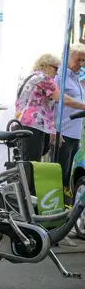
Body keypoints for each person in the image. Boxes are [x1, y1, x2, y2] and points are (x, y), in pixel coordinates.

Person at [15, 53, 85, 162]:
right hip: (33, 125)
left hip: (21, 123)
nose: (57, 72)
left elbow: (45, 108)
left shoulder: (31, 77)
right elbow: (63, 99)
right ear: (46, 65)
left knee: (25, 162)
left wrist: (53, 130)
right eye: (56, 68)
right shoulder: (44, 79)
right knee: (31, 165)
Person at [54, 44, 85, 204]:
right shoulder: (60, 76)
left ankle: (63, 207)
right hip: (63, 131)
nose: (81, 63)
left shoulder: (75, 78)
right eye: (78, 60)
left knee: (67, 174)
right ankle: (55, 206)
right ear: (67, 57)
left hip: (74, 133)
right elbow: (63, 100)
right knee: (60, 173)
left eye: (83, 61)